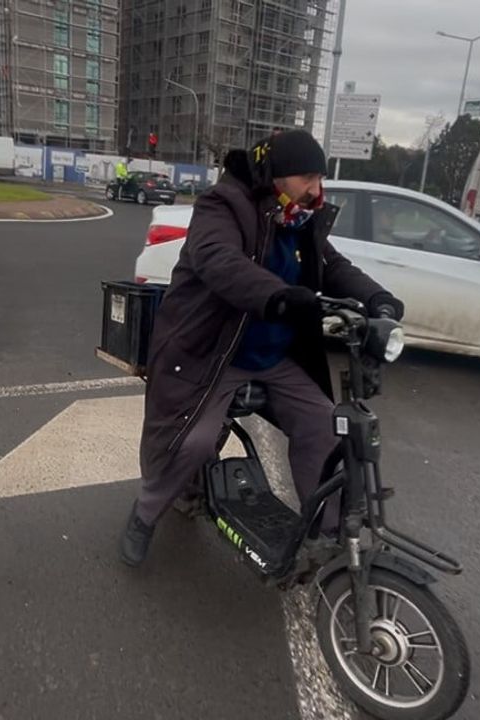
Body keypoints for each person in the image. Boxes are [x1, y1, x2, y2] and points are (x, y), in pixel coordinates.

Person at [119, 129, 404, 567]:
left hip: (273, 358)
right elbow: (219, 260)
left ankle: (325, 532)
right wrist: (280, 295)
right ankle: (145, 513)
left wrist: (378, 298)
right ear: (276, 175)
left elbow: (332, 264)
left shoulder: (298, 217)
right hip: (212, 353)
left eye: (320, 178)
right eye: (308, 177)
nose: (317, 189)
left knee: (327, 427)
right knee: (190, 444)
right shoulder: (223, 206)